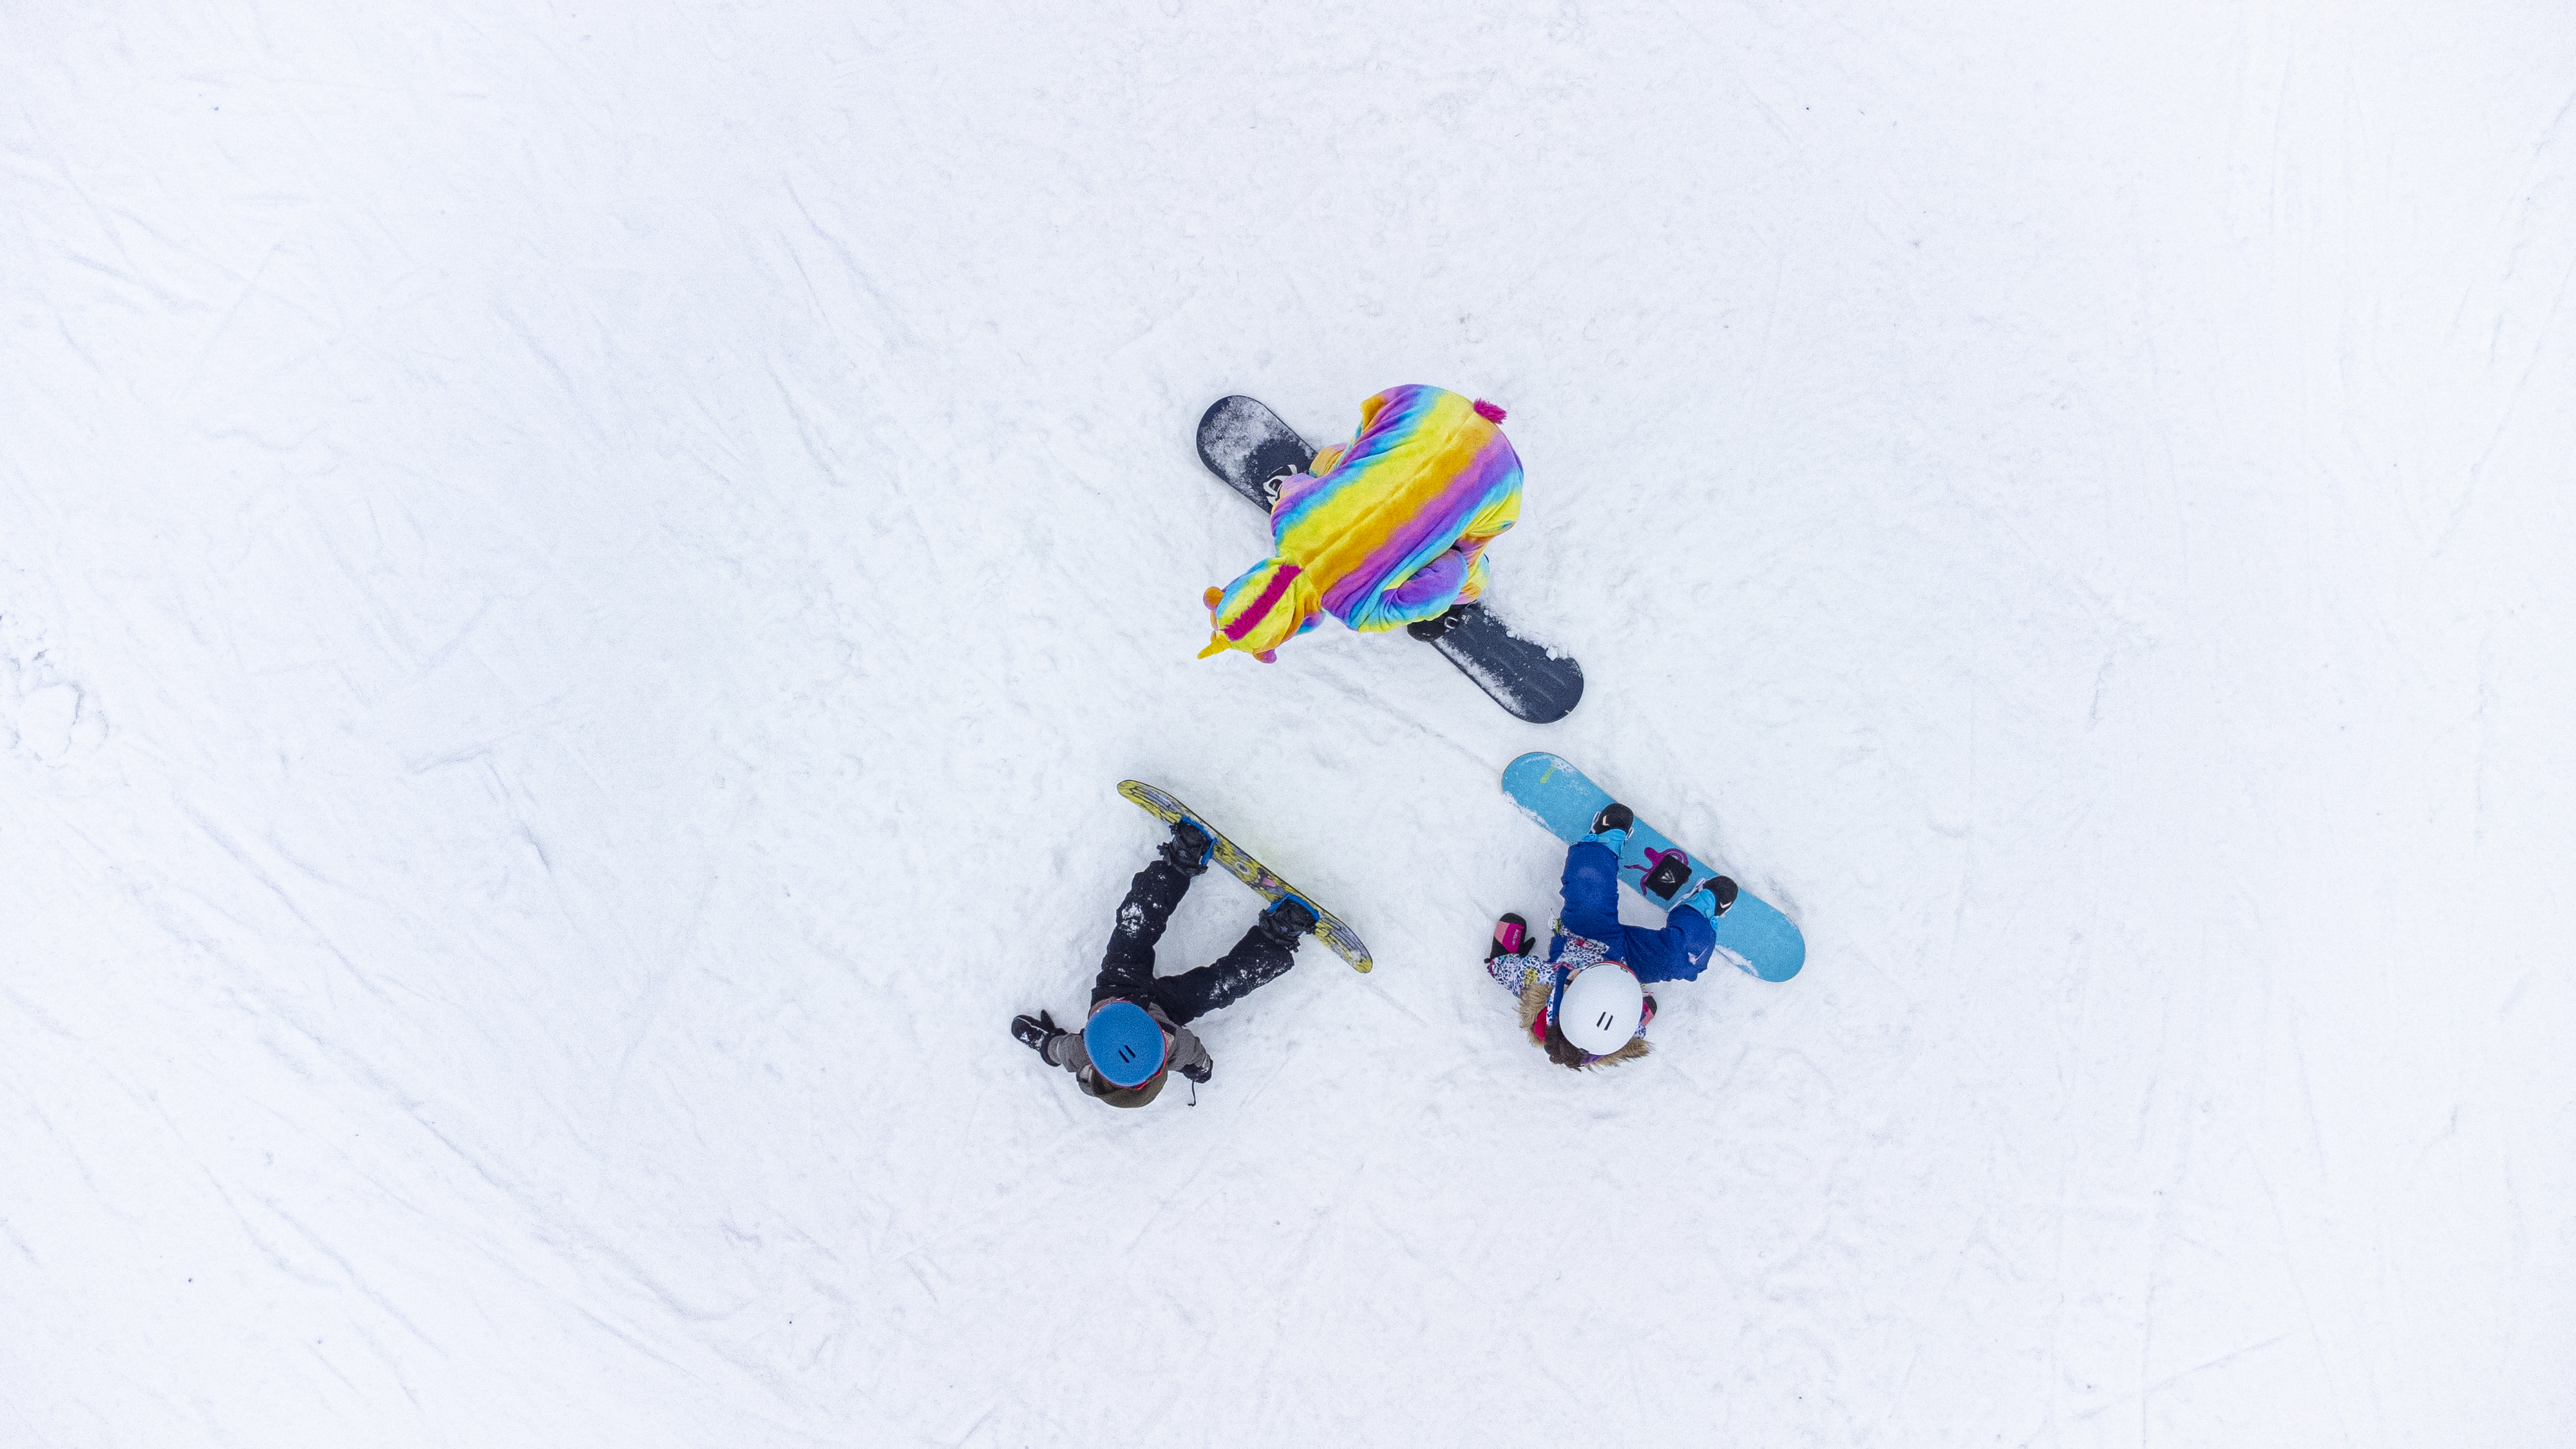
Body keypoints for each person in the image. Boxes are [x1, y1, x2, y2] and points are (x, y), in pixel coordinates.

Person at [1199, 384, 1522, 663]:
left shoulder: (1361, 613)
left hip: (1496, 473)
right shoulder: (1286, 519)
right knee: (1330, 465)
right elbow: (1295, 482)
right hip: (1424, 408)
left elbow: (1450, 572)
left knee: (1467, 572)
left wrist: (1421, 553)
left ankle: (1462, 600)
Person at [1012, 816, 1316, 1107]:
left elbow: (1059, 1050)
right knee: (1222, 984)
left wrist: (1043, 1042)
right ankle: (1277, 936)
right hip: (1168, 1010)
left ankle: (1181, 862)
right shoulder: (1171, 1045)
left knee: (1136, 924)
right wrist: (1202, 1068)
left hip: (1118, 987)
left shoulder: (1083, 1054)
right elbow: (1194, 1054)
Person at [1484, 803, 1737, 1070]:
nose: (1573, 975)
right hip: (1630, 963)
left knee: (1588, 890)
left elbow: (1515, 975)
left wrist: (1500, 960)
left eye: (1573, 979)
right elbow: (1633, 1031)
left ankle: (1602, 843)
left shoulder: (1545, 982)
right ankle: (1697, 913)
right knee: (1685, 957)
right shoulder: (1618, 1033)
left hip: (1584, 935)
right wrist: (1636, 1013)